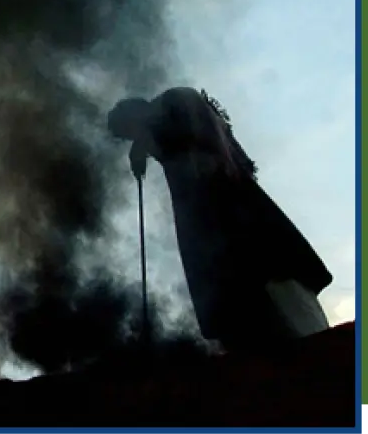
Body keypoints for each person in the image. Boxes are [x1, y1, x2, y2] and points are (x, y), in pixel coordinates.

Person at [107, 87, 333, 354]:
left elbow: (189, 120)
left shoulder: (176, 100)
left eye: (129, 131)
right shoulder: (171, 146)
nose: (133, 138)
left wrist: (144, 139)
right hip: (224, 256)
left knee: (297, 324)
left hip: (254, 242)